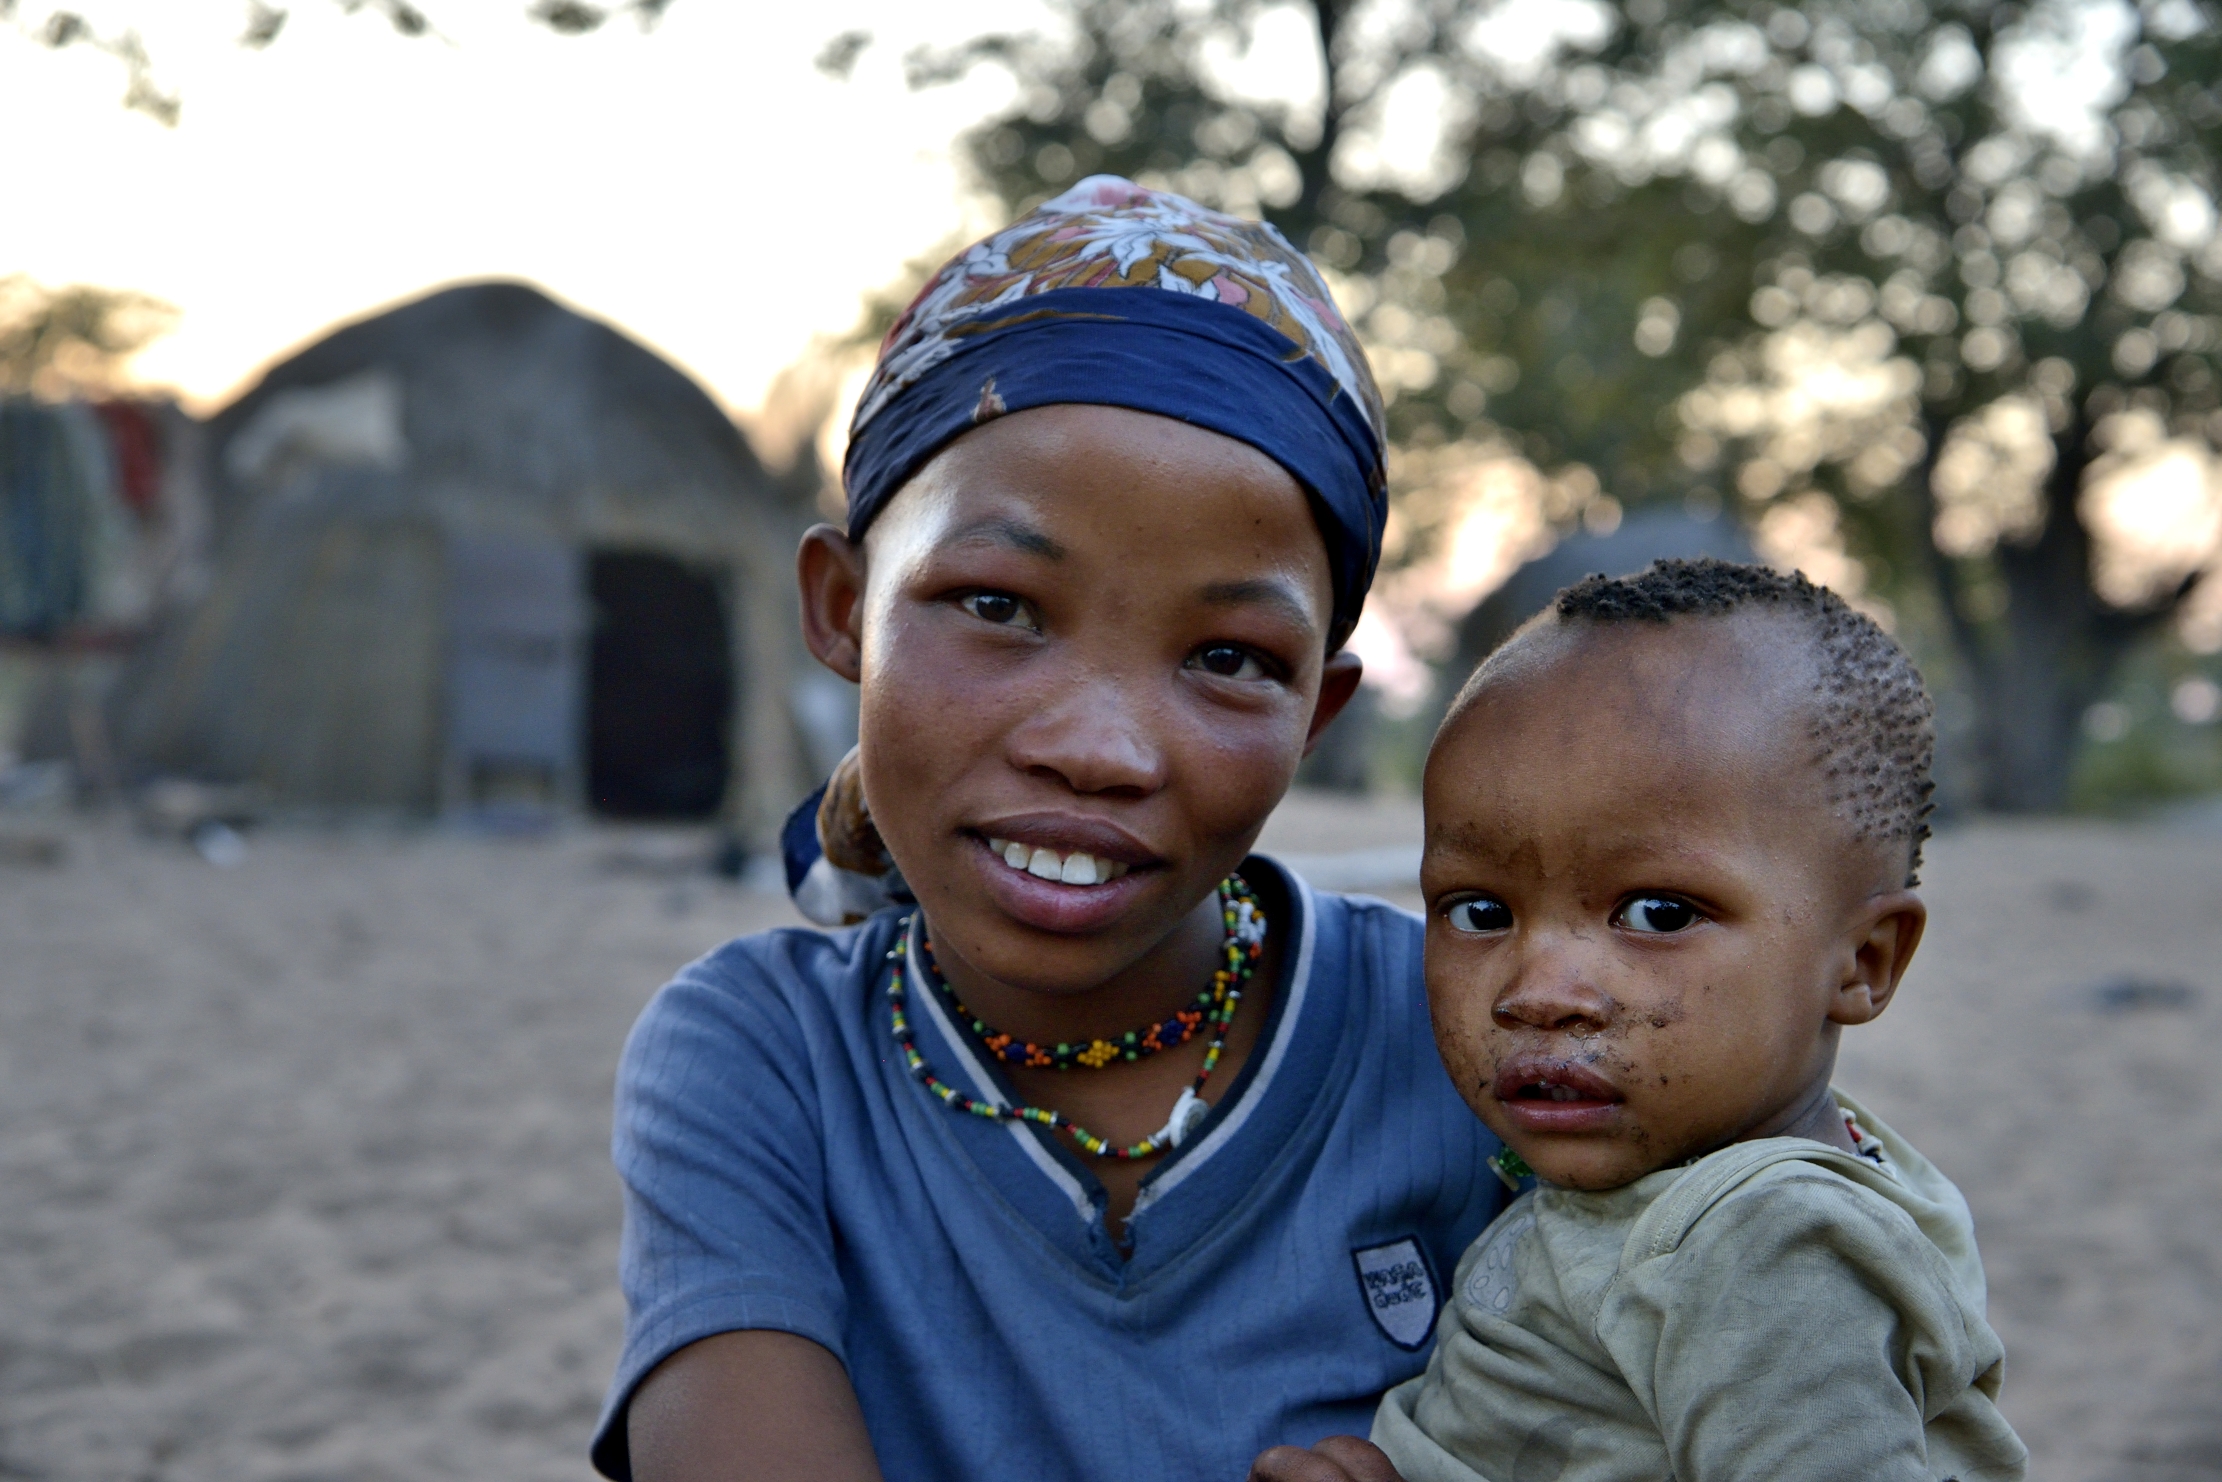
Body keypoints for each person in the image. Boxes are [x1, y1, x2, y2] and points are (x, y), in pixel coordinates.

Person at [591, 177, 1512, 1482]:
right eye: (997, 604)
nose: (1097, 746)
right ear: (843, 606)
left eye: (1229, 657)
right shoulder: (766, 1061)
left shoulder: (1467, 1033)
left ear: (1317, 709)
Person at [1255, 559, 2029, 1482]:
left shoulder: (1769, 1251)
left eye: (1658, 914)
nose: (1539, 990)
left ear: (1862, 963)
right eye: (1478, 911)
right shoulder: (1697, 1181)